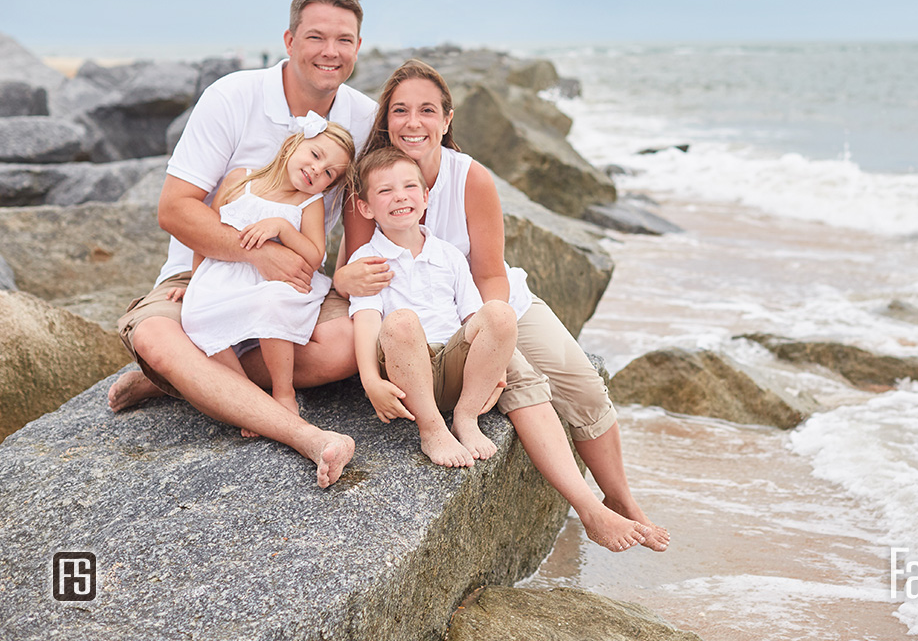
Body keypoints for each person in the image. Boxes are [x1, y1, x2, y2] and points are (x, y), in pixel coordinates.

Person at [335, 59, 670, 549]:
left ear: (447, 120)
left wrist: (489, 350)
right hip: (423, 322)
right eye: (400, 110)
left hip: (491, 302)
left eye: (427, 110)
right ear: (385, 119)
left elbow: (490, 275)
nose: (413, 122)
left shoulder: (470, 178)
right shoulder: (372, 182)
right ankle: (587, 506)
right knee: (522, 383)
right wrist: (345, 278)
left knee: (582, 386)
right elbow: (357, 272)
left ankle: (621, 501)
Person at [108, 0, 376, 488]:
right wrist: (255, 256)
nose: (330, 51)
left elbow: (371, 212)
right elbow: (175, 209)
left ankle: (181, 382)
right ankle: (305, 436)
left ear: (358, 47)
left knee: (347, 343)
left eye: (344, 39)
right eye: (316, 36)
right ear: (290, 40)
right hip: (205, 266)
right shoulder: (232, 96)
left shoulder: (363, 118)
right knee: (157, 337)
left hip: (293, 282)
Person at [179, 120, 356, 423]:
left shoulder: (309, 202)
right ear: (291, 146)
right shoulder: (240, 179)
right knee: (194, 317)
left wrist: (283, 228)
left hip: (276, 282)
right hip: (224, 276)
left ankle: (282, 391)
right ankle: (244, 394)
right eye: (315, 155)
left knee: (271, 304)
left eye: (329, 172)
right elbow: (206, 237)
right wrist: (194, 283)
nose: (317, 169)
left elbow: (314, 256)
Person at [348, 147, 513, 467]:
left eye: (409, 187)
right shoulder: (367, 262)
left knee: (500, 313)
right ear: (365, 207)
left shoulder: (448, 254)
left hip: (457, 370)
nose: (400, 197)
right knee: (400, 321)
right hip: (406, 372)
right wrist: (370, 381)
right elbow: (366, 322)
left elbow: (473, 317)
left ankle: (464, 418)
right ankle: (432, 429)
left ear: (425, 197)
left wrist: (498, 364)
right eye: (385, 190)